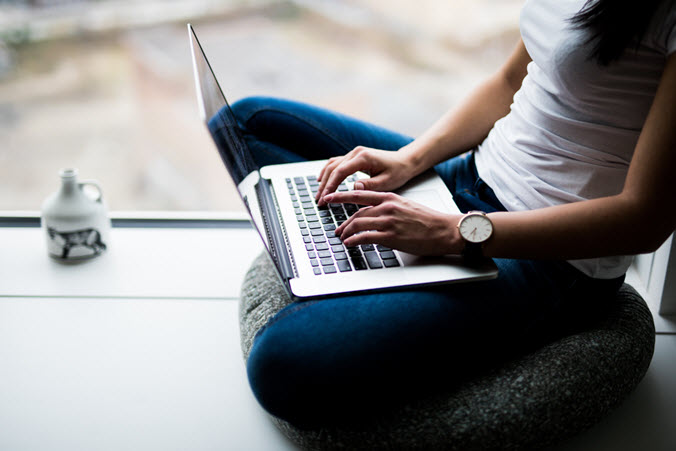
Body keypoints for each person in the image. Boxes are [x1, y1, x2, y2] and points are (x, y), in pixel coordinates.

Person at [231, 0, 676, 427]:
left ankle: (368, 283)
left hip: (545, 256)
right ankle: (363, 275)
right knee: (249, 122)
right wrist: (409, 159)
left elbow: (644, 219)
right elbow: (506, 84)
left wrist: (454, 233)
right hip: (469, 173)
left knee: (282, 367)